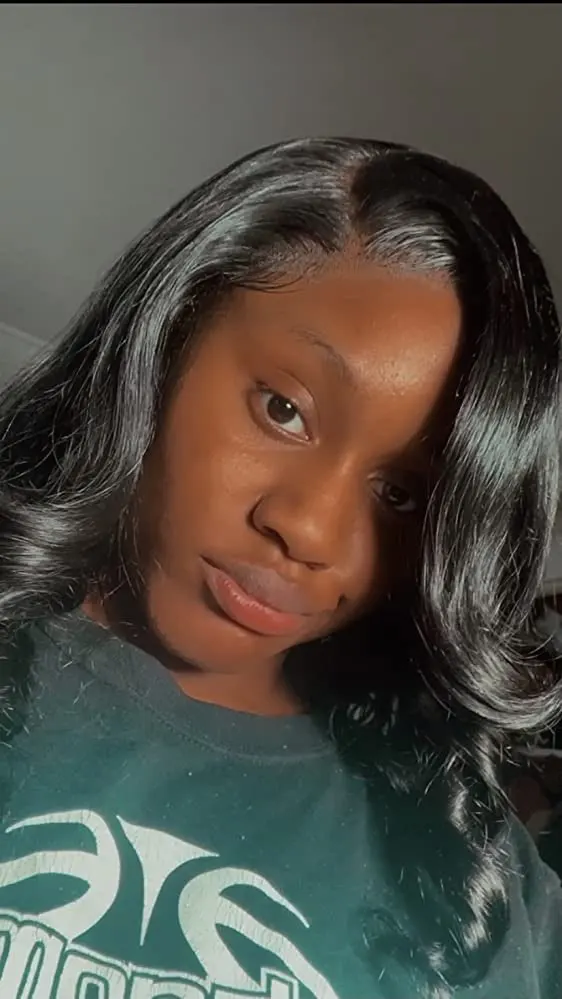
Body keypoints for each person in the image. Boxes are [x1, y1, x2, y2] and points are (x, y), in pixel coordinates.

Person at [0, 137, 561, 999]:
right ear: (167, 338)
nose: (310, 529)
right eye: (283, 408)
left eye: (402, 495)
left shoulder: (473, 882)